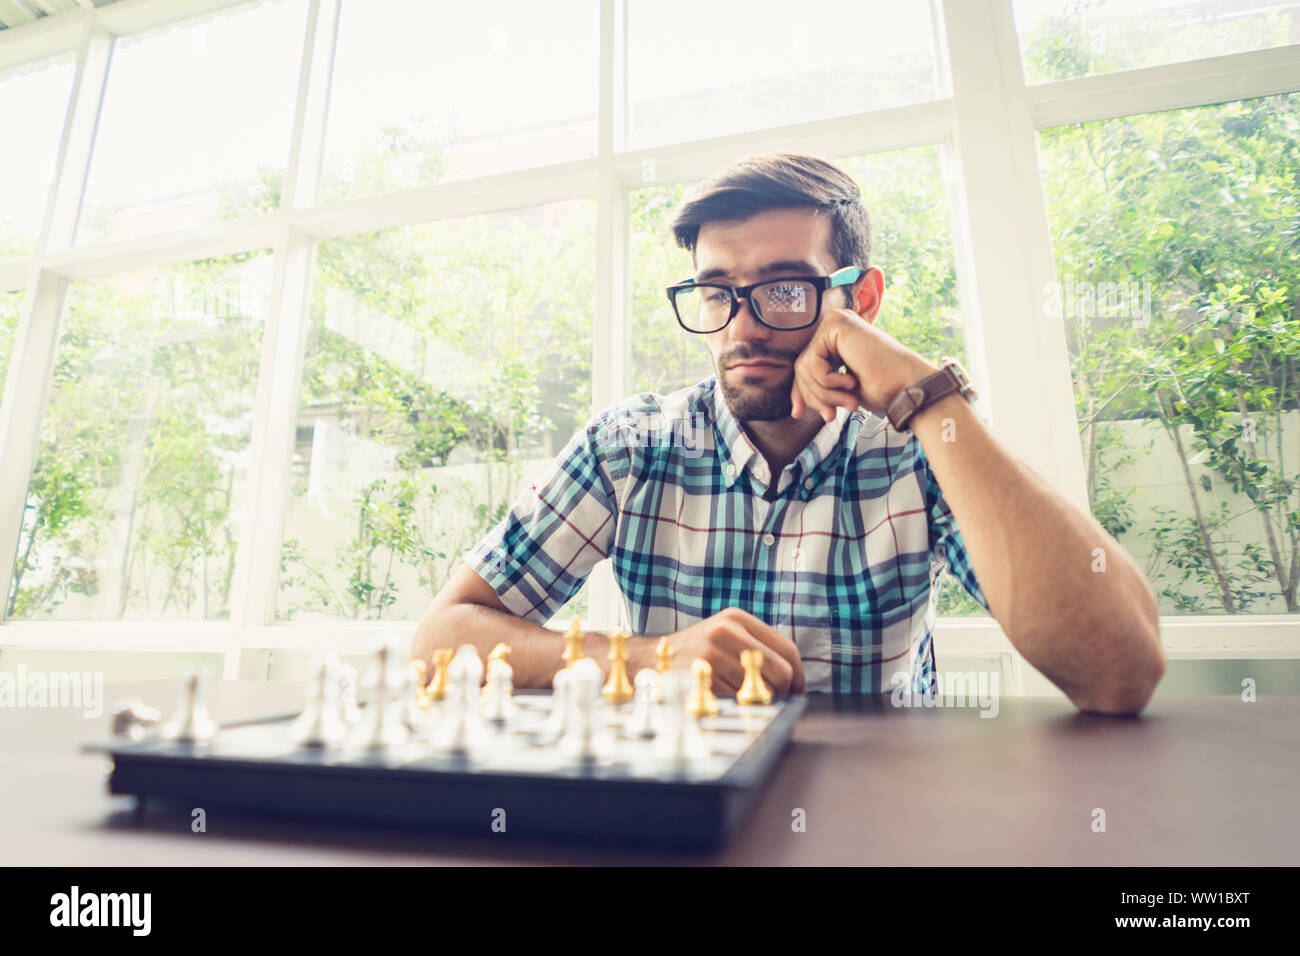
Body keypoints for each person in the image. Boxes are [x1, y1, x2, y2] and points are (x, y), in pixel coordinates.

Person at [411, 151, 1164, 714]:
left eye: (784, 289)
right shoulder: (630, 448)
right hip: (688, 824)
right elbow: (440, 641)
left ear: (859, 300)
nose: (742, 328)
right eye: (716, 292)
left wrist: (927, 396)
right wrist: (651, 660)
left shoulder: (920, 452)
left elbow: (1119, 672)